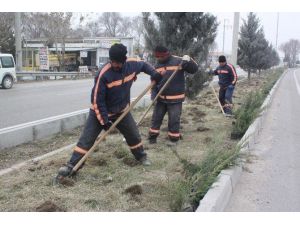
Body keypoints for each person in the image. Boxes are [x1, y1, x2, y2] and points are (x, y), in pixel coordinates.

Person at [56, 43, 163, 178]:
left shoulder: (132, 64)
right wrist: (105, 121)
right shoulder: (103, 74)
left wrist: (154, 73)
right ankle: (72, 166)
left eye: (118, 63)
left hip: (122, 111)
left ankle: (141, 157)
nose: (115, 65)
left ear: (124, 60)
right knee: (86, 139)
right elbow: (97, 100)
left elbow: (144, 65)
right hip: (100, 112)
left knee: (133, 135)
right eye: (112, 62)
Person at [148, 46, 198, 145]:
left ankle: (173, 140)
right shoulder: (157, 65)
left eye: (161, 57)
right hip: (161, 99)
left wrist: (189, 61)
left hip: (175, 99)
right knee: (156, 119)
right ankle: (152, 138)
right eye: (157, 57)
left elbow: (194, 69)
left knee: (174, 120)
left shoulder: (178, 61)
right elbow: (153, 83)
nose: (159, 59)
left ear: (166, 54)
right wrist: (154, 96)